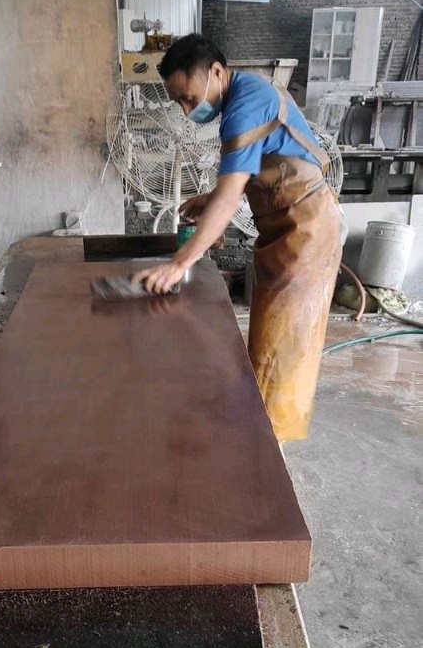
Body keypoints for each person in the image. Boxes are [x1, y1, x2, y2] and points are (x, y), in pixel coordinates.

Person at [134, 34, 341, 442]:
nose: (187, 110)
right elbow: (248, 176)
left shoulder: (245, 105)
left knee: (282, 354)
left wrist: (179, 263)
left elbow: (231, 200)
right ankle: (260, 436)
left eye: (189, 98)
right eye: (178, 103)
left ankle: (270, 451)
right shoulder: (245, 95)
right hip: (285, 231)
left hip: (306, 231)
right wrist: (211, 197)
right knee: (267, 345)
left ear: (216, 71)